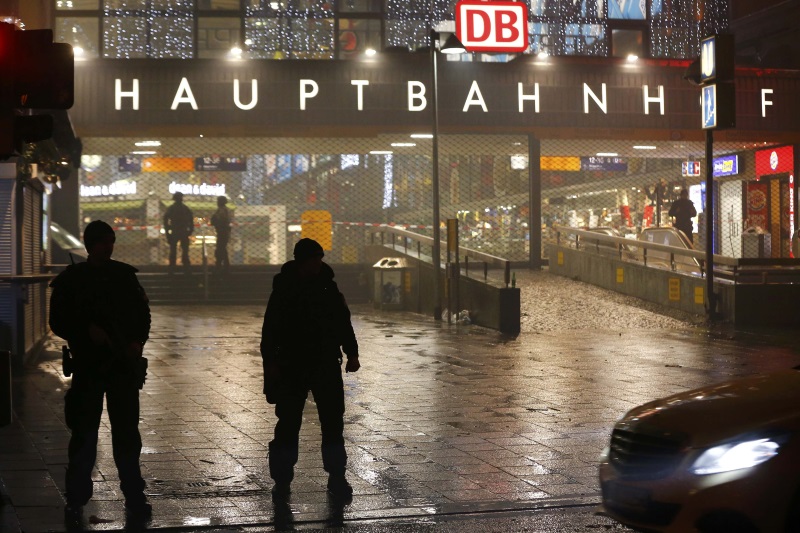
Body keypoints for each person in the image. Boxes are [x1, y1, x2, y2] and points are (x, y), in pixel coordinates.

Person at [49, 220, 151, 524]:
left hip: (121, 367)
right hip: (89, 367)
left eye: (111, 241)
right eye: (103, 241)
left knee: (127, 437)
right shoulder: (73, 280)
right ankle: (76, 499)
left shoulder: (123, 276)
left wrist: (135, 342)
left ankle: (134, 495)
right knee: (84, 437)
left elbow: (142, 314)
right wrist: (85, 330)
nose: (109, 246)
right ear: (90, 244)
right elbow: (59, 320)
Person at [260, 238, 360, 500]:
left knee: (332, 421)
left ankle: (336, 475)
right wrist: (269, 362)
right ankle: (282, 478)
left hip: (323, 362)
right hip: (293, 364)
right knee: (289, 422)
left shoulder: (328, 286)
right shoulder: (284, 289)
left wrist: (352, 353)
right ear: (302, 261)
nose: (318, 262)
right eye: (314, 258)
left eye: (320, 257)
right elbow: (270, 329)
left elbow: (342, 321)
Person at [163, 191, 194, 272]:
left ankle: (172, 266)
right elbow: (191, 220)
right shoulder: (185, 208)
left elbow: (165, 220)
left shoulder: (171, 208)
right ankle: (186, 266)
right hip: (183, 231)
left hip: (175, 230)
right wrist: (190, 230)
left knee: (173, 249)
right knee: (185, 250)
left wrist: (167, 232)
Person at [210, 195, 231, 273]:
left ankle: (219, 266)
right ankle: (225, 266)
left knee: (220, 249)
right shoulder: (224, 210)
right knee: (223, 249)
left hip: (222, 232)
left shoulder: (222, 210)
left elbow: (218, 221)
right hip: (223, 232)